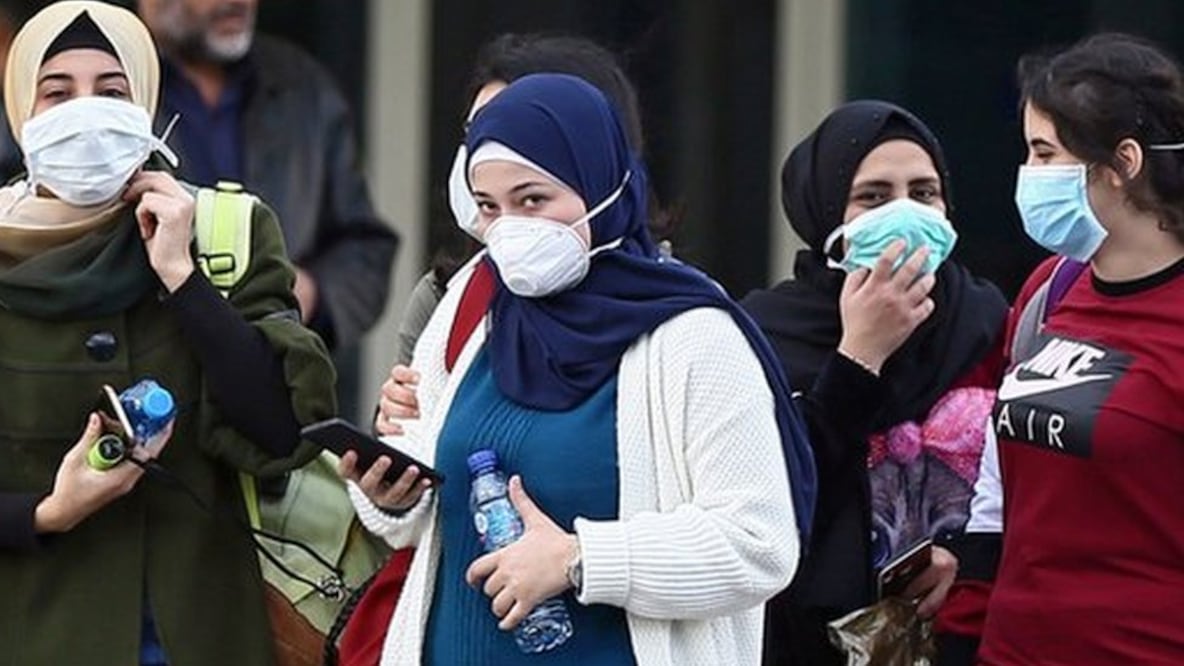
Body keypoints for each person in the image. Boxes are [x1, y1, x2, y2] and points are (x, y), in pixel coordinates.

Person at [340, 73, 814, 665]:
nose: (509, 228)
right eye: (489, 207)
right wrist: (393, 495)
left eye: (533, 199)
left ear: (601, 187)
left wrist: (580, 558)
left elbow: (760, 545)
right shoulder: (476, 302)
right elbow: (431, 514)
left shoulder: (693, 335)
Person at [0, 3, 335, 664]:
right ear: (19, 112)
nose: (86, 113)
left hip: (202, 632)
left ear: (148, 105)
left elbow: (282, 430)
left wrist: (184, 278)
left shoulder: (224, 231)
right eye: (58, 94)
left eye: (112, 92)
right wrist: (48, 512)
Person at [938, 33, 1184, 665]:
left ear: (1122, 163)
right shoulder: (1052, 289)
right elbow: (998, 494)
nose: (1028, 174)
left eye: (1045, 152)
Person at [740, 100, 1008, 665]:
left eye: (924, 192)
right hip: (810, 643)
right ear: (824, 211)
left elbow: (1029, 490)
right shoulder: (761, 336)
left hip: (969, 636)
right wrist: (859, 357)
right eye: (874, 197)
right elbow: (769, 503)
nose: (905, 212)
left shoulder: (989, 323)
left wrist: (968, 560)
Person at [136, 0, 397, 404]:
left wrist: (312, 294)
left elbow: (364, 246)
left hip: (277, 380)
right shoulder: (107, 83)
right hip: (148, 381)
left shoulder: (302, 83)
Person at [388, 32, 659, 371]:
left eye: (516, 133)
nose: (488, 151)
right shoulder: (451, 300)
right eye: (476, 132)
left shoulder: (678, 318)